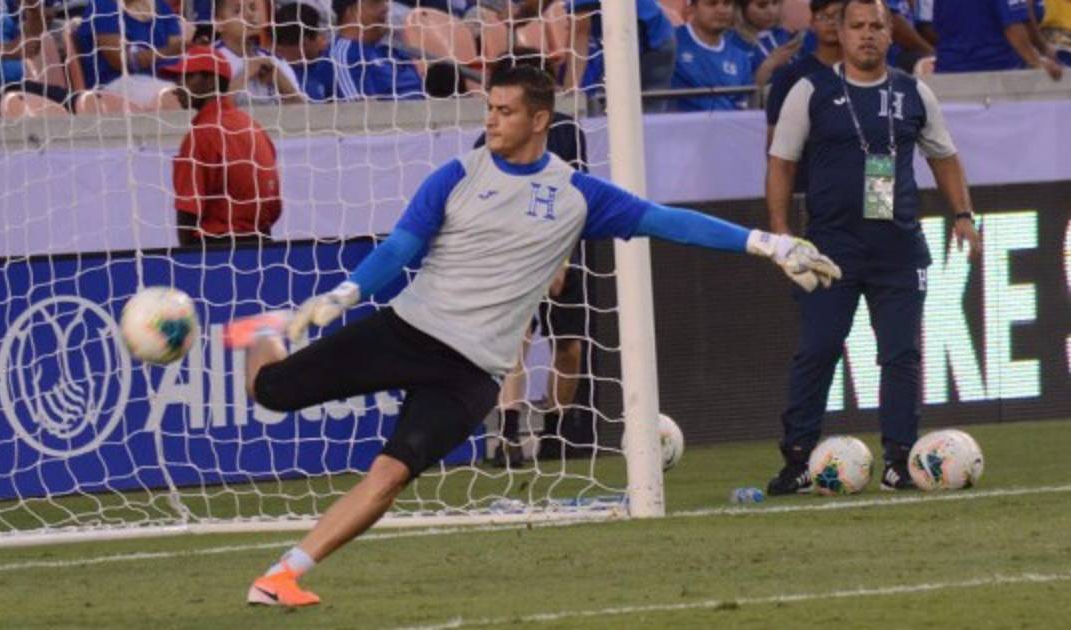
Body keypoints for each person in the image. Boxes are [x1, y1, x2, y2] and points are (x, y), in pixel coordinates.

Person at [241, 64, 840, 607]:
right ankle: (262, 333)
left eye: (504, 111)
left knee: (391, 475)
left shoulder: (578, 196)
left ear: (539, 120)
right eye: (489, 109)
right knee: (271, 392)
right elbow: (401, 247)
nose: (491, 121)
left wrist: (768, 243)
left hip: (472, 372)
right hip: (408, 330)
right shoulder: (457, 175)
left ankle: (282, 576)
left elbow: (667, 221)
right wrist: (346, 294)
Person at [764, 0, 981, 495]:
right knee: (818, 351)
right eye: (857, 25)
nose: (867, 34)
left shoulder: (914, 92)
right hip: (830, 248)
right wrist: (779, 233)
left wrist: (963, 215)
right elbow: (781, 161)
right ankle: (797, 459)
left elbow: (944, 156)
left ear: (890, 34)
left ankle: (899, 461)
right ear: (839, 32)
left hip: (899, 247)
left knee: (901, 355)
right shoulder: (810, 90)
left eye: (877, 26)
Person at [471, 47, 590, 466]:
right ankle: (508, 435)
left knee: (569, 346)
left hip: (561, 249)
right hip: (511, 256)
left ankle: (555, 434)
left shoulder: (567, 131)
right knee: (515, 339)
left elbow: (574, 197)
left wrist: (561, 259)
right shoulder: (485, 143)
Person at [165, 46, 283, 245]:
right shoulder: (253, 126)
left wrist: (187, 260)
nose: (177, 87)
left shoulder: (201, 135)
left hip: (216, 249)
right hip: (263, 245)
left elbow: (187, 214)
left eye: (186, 77)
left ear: (211, 81)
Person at [764, 0, 843, 197]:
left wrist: (881, 207)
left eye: (839, 16)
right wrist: (781, 212)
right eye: (824, 16)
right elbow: (777, 153)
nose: (831, 23)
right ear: (812, 23)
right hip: (811, 193)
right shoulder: (790, 77)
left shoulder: (879, 79)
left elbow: (883, 147)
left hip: (866, 195)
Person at [563, 0, 677, 108]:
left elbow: (580, 30)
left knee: (618, 107)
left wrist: (569, 92)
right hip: (646, 33)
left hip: (650, 42)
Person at [76, 0, 187, 109]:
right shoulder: (103, 6)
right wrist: (168, 51)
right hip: (112, 85)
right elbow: (121, 61)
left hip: (161, 79)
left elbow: (176, 57)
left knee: (191, 90)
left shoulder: (161, 6)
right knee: (176, 97)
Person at [308, 0, 424, 100]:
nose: (386, 8)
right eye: (375, 3)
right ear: (351, 11)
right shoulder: (343, 57)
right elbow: (362, 113)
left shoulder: (388, 51)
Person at [923, 0, 1061, 79]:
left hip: (948, 73)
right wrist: (1037, 62)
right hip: (997, 74)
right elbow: (1013, 29)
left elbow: (936, 28)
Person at [212, 0, 304, 103]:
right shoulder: (210, 59)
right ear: (219, 24)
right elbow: (209, 108)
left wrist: (279, 77)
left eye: (253, 8)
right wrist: (246, 74)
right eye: (238, 11)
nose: (250, 15)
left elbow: (304, 109)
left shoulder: (275, 60)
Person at [670, 0, 754, 111]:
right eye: (712, 3)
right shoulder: (670, 44)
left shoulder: (740, 59)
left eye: (727, 4)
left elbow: (743, 106)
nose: (721, 10)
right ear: (692, 7)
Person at [733, 0, 802, 87]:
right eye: (762, 5)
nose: (771, 11)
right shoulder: (733, 43)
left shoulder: (784, 35)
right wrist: (770, 64)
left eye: (775, 3)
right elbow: (741, 91)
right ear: (742, 8)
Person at [272, 2, 330, 101]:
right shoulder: (273, 73)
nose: (325, 40)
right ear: (305, 42)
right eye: (318, 34)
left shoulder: (328, 60)